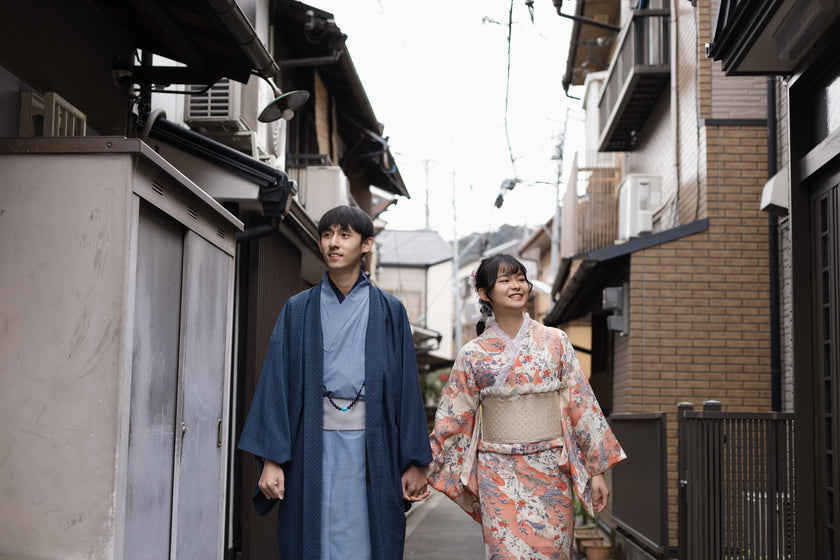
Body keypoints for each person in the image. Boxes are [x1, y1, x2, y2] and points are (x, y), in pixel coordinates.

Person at [238, 205, 432, 560]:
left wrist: (415, 461)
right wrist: (271, 459)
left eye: (345, 235)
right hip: (311, 444)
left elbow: (406, 389)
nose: (333, 243)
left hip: (373, 446)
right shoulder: (298, 309)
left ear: (367, 244)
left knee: (369, 541)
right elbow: (275, 383)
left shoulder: (390, 311)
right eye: (327, 235)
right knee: (312, 539)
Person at [427, 254, 626, 559]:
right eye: (505, 280)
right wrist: (425, 464)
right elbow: (453, 419)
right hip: (498, 472)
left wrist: (596, 470)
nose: (516, 286)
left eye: (520, 279)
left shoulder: (555, 341)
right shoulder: (473, 354)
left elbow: (581, 404)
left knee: (552, 550)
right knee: (505, 552)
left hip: (550, 468)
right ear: (484, 293)